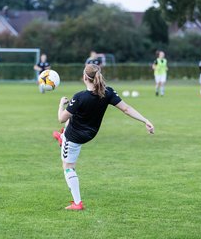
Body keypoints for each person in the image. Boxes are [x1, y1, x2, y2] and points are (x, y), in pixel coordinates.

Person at [53, 64, 154, 210]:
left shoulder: (79, 97)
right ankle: (62, 137)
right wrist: (145, 120)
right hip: (91, 132)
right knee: (73, 118)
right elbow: (126, 109)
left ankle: (77, 203)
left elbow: (61, 118)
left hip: (74, 137)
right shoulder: (108, 92)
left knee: (68, 167)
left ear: (84, 78)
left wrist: (61, 104)